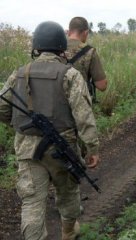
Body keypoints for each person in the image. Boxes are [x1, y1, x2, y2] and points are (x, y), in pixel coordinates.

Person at [0, 21, 100, 240]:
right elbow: (84, 117)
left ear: (36, 46)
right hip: (62, 148)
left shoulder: (18, 74)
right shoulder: (71, 75)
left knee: (32, 201)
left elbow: (2, 109)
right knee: (68, 193)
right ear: (61, 47)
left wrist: (22, 126)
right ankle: (67, 232)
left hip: (27, 148)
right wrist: (92, 147)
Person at [65, 16, 107, 100]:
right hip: (80, 104)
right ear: (86, 33)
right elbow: (102, 86)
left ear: (69, 32)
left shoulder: (56, 49)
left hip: (57, 102)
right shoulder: (90, 51)